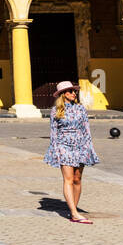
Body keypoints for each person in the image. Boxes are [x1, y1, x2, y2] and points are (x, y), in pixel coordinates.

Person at [43, 80, 99, 224]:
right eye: (70, 91)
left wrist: (89, 148)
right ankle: (74, 213)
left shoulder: (81, 109)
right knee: (68, 179)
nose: (74, 93)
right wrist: (55, 150)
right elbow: (53, 132)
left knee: (77, 179)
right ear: (63, 94)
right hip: (64, 146)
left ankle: (73, 209)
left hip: (80, 145)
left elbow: (86, 130)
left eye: (75, 91)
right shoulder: (56, 111)